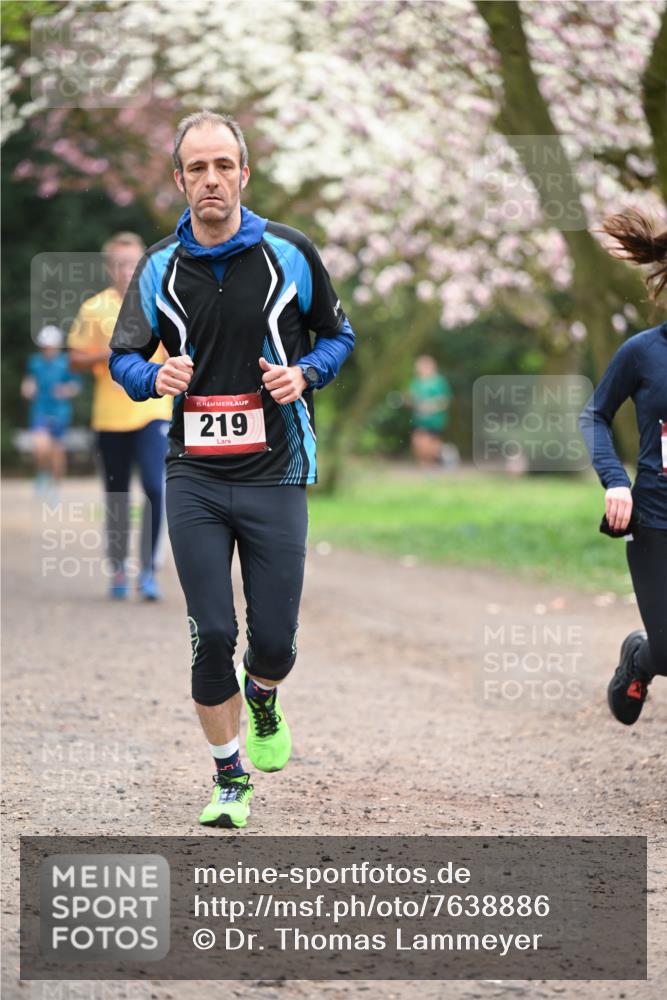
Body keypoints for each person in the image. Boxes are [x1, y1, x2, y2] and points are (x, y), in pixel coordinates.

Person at [109, 111, 355, 828]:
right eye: (196, 168)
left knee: (272, 641)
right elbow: (124, 356)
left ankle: (265, 697)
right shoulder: (160, 266)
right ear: (179, 179)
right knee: (211, 632)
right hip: (194, 475)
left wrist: (305, 373)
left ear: (244, 173)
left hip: (276, 469)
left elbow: (338, 335)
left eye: (223, 165)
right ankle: (228, 778)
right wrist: (151, 378)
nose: (210, 179)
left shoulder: (290, 252)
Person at [580, 208, 667, 726]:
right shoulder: (643, 352)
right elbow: (595, 415)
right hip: (656, 516)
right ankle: (641, 656)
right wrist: (616, 482)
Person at [67, 233, 172, 600]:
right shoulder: (94, 308)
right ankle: (117, 568)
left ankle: (147, 570)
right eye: (121, 264)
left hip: (153, 412)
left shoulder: (161, 303)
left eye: (134, 263)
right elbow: (74, 358)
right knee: (117, 494)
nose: (128, 270)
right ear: (109, 268)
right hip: (109, 417)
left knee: (156, 488)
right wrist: (112, 354)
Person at [21, 325, 81, 492]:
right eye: (45, 346)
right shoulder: (34, 362)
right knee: (40, 446)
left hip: (60, 412)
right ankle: (42, 473)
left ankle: (56, 485)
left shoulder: (66, 362)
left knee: (57, 452)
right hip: (40, 409)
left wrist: (65, 390)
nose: (47, 349)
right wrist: (27, 388)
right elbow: (29, 381)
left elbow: (75, 386)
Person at [408, 354, 453, 466]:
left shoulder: (439, 381)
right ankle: (425, 464)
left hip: (435, 419)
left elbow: (445, 400)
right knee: (417, 441)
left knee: (431, 444)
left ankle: (443, 457)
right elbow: (412, 398)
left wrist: (431, 406)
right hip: (420, 419)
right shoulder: (416, 382)